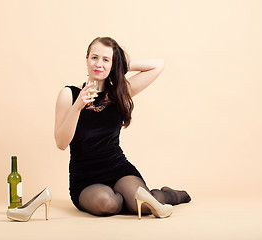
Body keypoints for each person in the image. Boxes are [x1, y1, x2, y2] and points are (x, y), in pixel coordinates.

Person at [54, 37, 191, 218]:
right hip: (86, 178)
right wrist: (78, 106)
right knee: (108, 203)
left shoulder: (119, 92)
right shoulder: (69, 94)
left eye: (106, 60)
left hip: (118, 169)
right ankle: (132, 198)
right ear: (86, 59)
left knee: (144, 207)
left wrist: (121, 63)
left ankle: (168, 194)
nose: (99, 64)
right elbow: (61, 143)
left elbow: (158, 65)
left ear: (113, 64)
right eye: (94, 57)